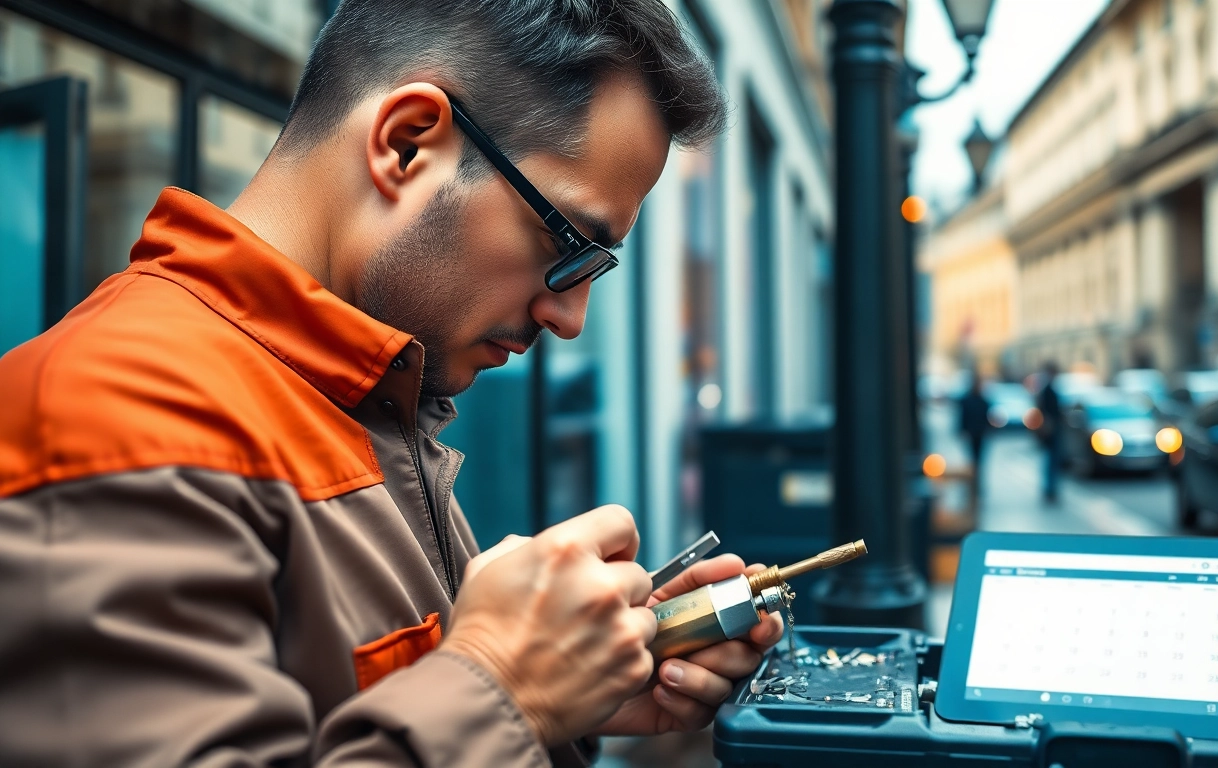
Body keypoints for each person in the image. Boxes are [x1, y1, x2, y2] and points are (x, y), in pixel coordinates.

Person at [0, 2, 781, 766]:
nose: (570, 316)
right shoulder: (106, 423)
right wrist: (507, 692)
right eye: (568, 243)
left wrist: (572, 695)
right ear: (407, 145)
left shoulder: (366, 398)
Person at [1036, 361, 1064, 504]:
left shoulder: (1046, 389)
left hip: (1050, 430)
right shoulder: (1048, 390)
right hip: (1051, 430)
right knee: (1051, 461)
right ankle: (1050, 490)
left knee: (1050, 461)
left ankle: (1050, 489)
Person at [957, 372, 991, 494]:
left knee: (978, 460)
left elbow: (987, 417)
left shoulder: (983, 400)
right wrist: (962, 431)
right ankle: (972, 483)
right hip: (971, 433)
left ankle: (977, 484)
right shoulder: (967, 400)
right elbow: (962, 417)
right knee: (972, 460)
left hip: (980, 433)